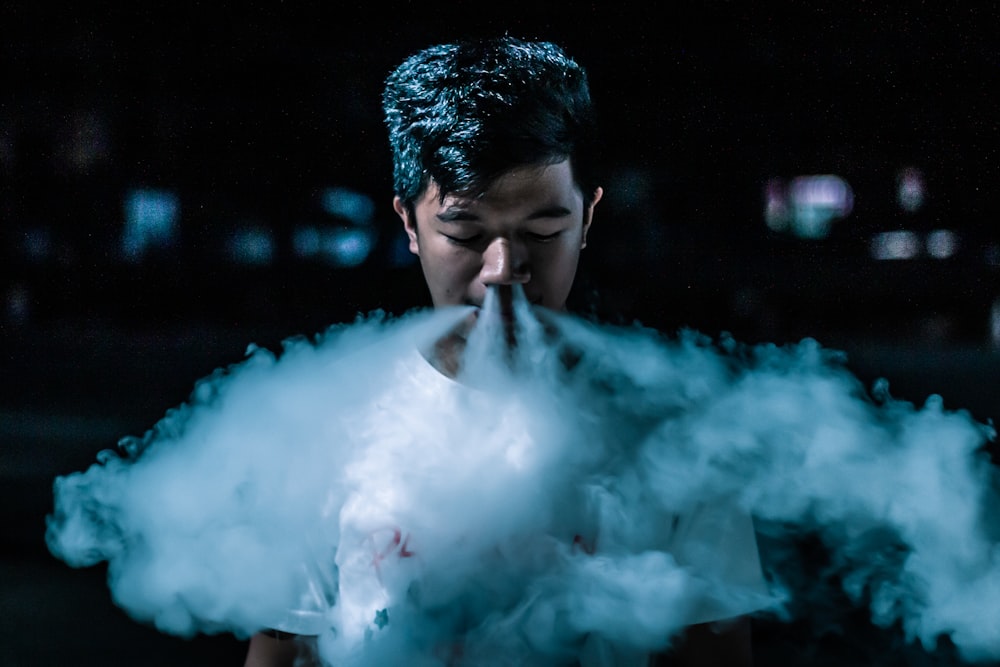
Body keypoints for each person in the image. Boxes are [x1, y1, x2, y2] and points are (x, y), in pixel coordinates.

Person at [245, 35, 767, 666]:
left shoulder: (683, 435)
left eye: (543, 232)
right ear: (409, 224)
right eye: (464, 233)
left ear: (589, 218)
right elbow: (283, 650)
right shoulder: (324, 428)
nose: (502, 270)